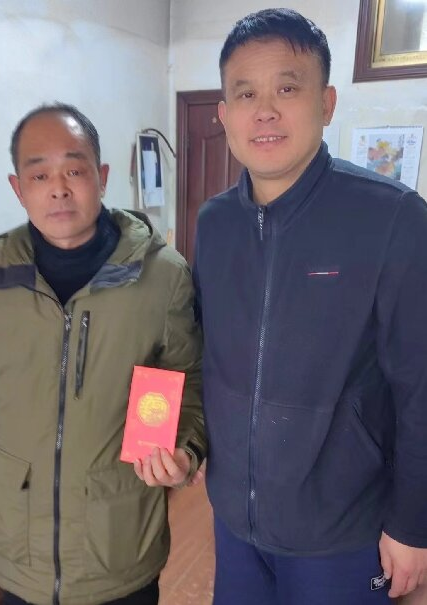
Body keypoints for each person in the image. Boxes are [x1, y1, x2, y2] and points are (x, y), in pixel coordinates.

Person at [193, 8, 427, 605]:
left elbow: (421, 386)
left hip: (343, 530)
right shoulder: (214, 224)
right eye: (245, 93)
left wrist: (413, 524)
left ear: (326, 103)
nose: (264, 110)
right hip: (234, 519)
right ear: (224, 114)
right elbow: (201, 355)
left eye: (287, 88)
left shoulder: (392, 218)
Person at [0, 103, 206, 605]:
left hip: (120, 543)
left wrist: (184, 449)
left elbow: (186, 379)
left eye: (75, 170)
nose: (58, 188)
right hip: (20, 547)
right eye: (39, 175)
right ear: (18, 188)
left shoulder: (162, 274)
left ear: (102, 177)